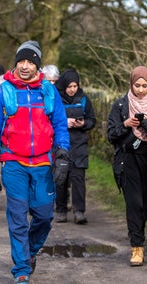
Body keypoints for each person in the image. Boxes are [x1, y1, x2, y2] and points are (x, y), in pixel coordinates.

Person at [0, 40, 70, 284]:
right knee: (18, 218)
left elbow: (61, 125)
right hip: (14, 164)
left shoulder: (48, 92)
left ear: (37, 66)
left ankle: (28, 253)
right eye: (22, 61)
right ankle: (21, 270)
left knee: (43, 216)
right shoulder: (3, 92)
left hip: (42, 165)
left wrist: (62, 154)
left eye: (31, 62)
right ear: (16, 62)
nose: (26, 66)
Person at [107, 66, 147, 267]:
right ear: (131, 84)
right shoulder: (120, 105)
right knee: (134, 203)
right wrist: (126, 124)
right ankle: (137, 247)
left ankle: (138, 230)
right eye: (137, 85)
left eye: (145, 86)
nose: (141, 90)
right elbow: (111, 135)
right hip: (128, 160)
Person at [54, 69, 96, 224]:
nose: (72, 89)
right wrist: (65, 123)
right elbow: (49, 119)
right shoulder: (56, 99)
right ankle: (61, 210)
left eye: (75, 86)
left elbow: (92, 120)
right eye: (69, 86)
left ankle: (79, 211)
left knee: (78, 177)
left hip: (79, 143)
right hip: (61, 143)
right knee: (61, 177)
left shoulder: (84, 99)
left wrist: (83, 123)